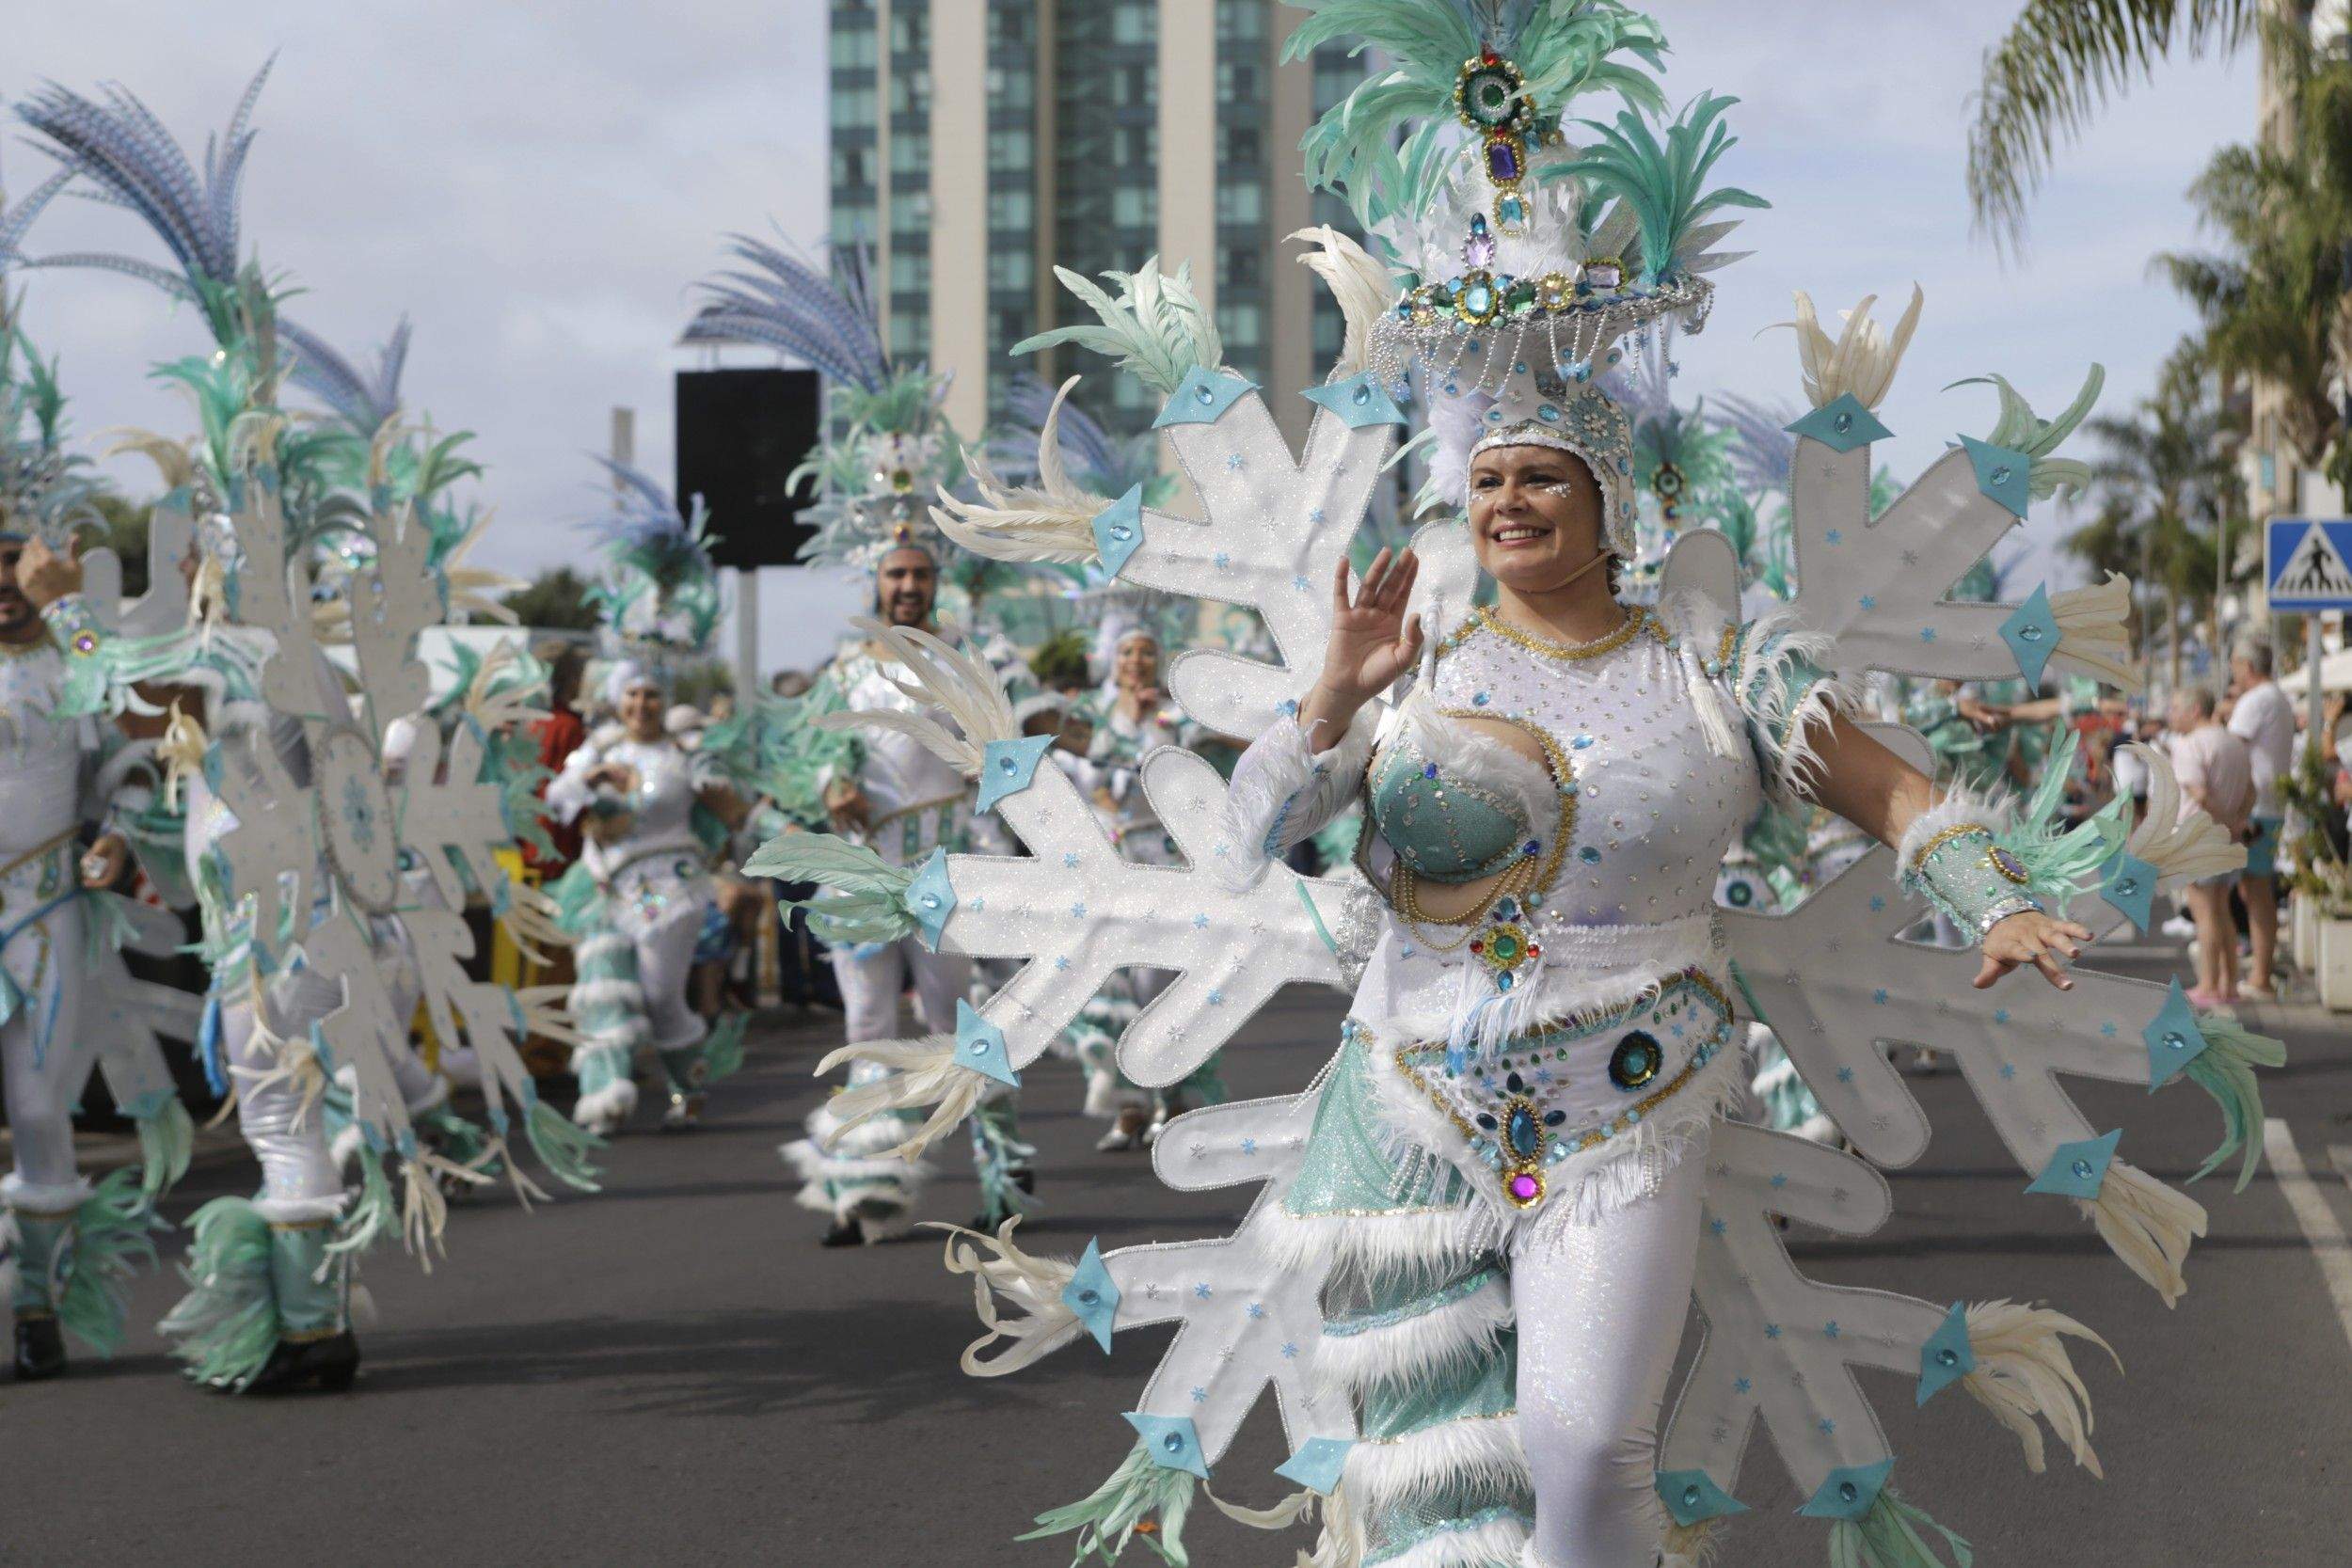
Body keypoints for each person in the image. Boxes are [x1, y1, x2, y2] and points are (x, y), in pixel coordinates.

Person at [2168, 686, 2254, 1007]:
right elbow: (2251, 792)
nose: (2171, 715)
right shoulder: (2233, 741)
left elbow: (2200, 795)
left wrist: (2224, 820)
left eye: (2175, 707)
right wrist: (2237, 822)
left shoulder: (2190, 745)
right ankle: (2228, 984)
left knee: (2205, 914)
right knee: (2224, 911)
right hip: (2227, 839)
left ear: (2194, 710)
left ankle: (2208, 984)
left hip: (2199, 837)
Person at [2225, 641, 2296, 997]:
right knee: (2255, 888)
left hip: (2256, 808)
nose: (2232, 671)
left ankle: (2260, 977)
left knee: (2256, 889)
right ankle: (2259, 970)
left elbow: (2229, 747)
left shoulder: (2256, 700)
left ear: (2248, 665)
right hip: (2270, 805)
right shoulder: (2277, 697)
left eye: (2235, 663)